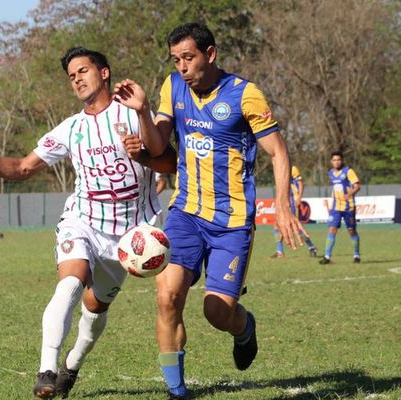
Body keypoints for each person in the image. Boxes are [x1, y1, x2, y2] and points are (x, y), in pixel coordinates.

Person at [0, 47, 173, 399]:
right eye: (71, 76)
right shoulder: (72, 128)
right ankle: (47, 370)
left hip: (129, 237)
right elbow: (23, 168)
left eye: (83, 71)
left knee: (96, 306)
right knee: (71, 283)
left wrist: (143, 130)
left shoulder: (132, 114)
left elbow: (165, 157)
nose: (77, 79)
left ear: (104, 73)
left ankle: (73, 364)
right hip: (83, 220)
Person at [114, 22, 305, 399]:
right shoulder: (173, 87)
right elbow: (157, 147)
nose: (182, 66)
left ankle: (244, 327)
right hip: (185, 212)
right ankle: (177, 391)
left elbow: (278, 152)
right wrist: (143, 111)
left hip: (232, 222)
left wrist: (282, 205)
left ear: (210, 54)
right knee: (167, 296)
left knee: (216, 313)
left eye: (188, 57)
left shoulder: (245, 95)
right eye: (176, 59)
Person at [319, 151, 361, 264]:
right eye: (334, 160)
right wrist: (330, 204)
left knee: (351, 231)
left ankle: (356, 254)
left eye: (339, 160)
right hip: (336, 207)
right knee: (332, 229)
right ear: (331, 161)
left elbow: (357, 186)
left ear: (342, 160)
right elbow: (336, 188)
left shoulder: (348, 171)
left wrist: (350, 194)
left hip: (349, 207)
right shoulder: (331, 173)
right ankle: (327, 257)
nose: (336, 162)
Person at [271, 165, 317, 258]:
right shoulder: (278, 168)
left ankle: (311, 247)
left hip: (292, 202)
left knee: (296, 228)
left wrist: (299, 197)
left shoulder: (292, 168)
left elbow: (300, 183)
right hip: (284, 202)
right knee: (277, 226)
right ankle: (279, 251)